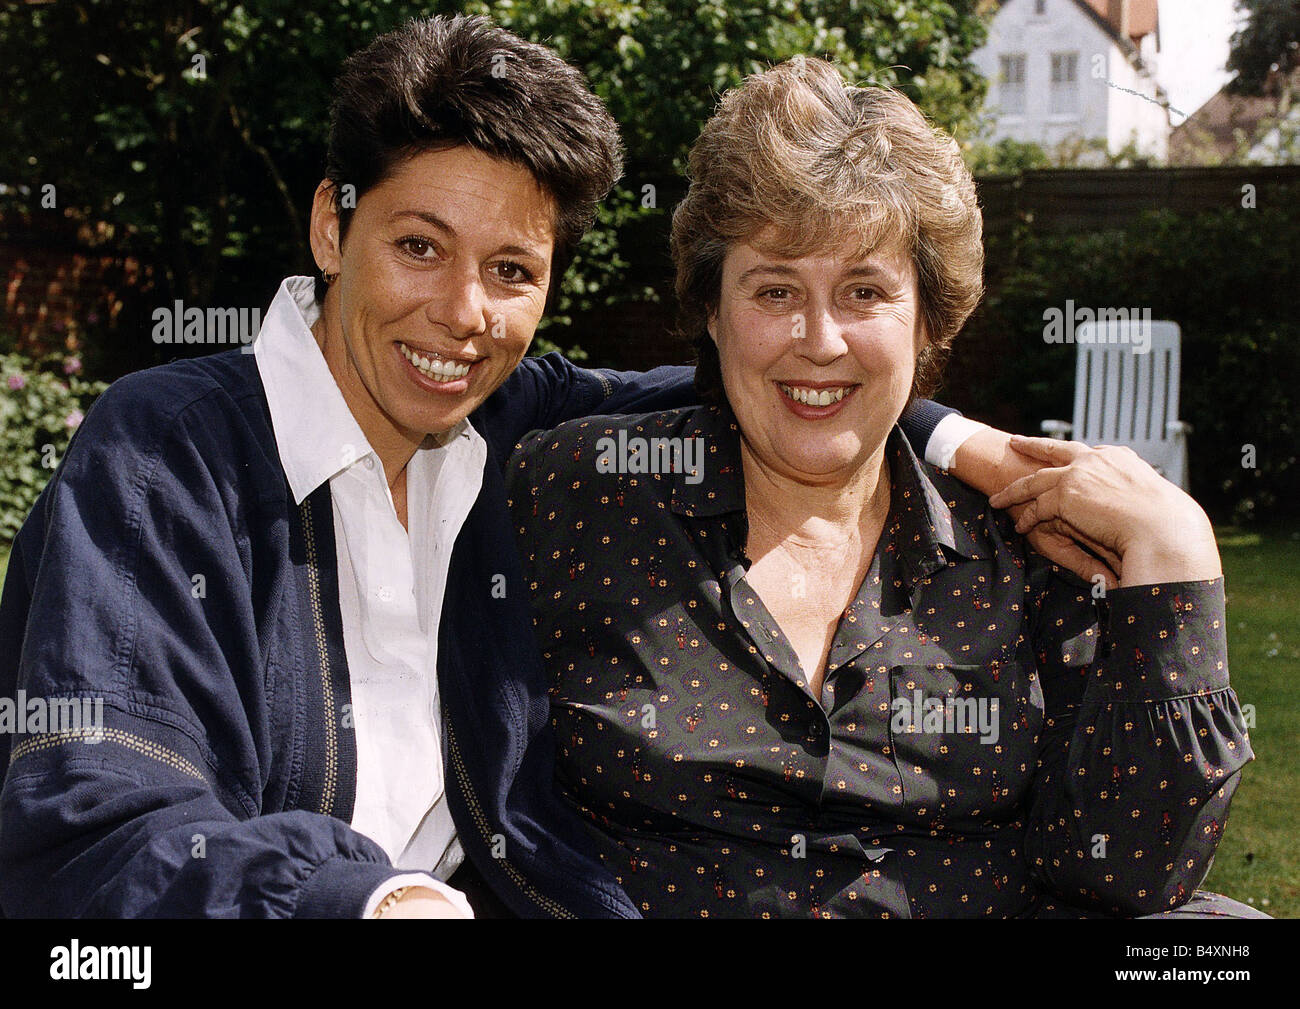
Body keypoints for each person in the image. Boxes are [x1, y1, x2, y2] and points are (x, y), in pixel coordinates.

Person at [0, 17, 983, 919]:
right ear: (330, 228)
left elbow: (775, 377)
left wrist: (963, 443)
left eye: (512, 270)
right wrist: (373, 903)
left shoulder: (512, 426)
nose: (465, 313)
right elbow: (97, 828)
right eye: (420, 247)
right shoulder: (166, 457)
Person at [507, 56, 1264, 918]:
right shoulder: (582, 490)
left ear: (929, 321)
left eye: (865, 291)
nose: (819, 339)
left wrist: (1178, 551)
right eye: (776, 289)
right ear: (712, 313)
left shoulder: (1023, 546)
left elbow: (1128, 874)